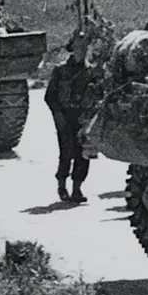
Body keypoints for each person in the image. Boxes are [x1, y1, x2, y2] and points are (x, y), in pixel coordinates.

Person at [46, 37, 99, 203]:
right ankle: (62, 186)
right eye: (79, 47)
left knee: (84, 153)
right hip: (65, 114)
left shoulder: (91, 71)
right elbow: (50, 96)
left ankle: (77, 189)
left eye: (85, 47)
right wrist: (58, 116)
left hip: (83, 116)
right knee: (66, 152)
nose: (82, 50)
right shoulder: (60, 70)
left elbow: (98, 94)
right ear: (72, 48)